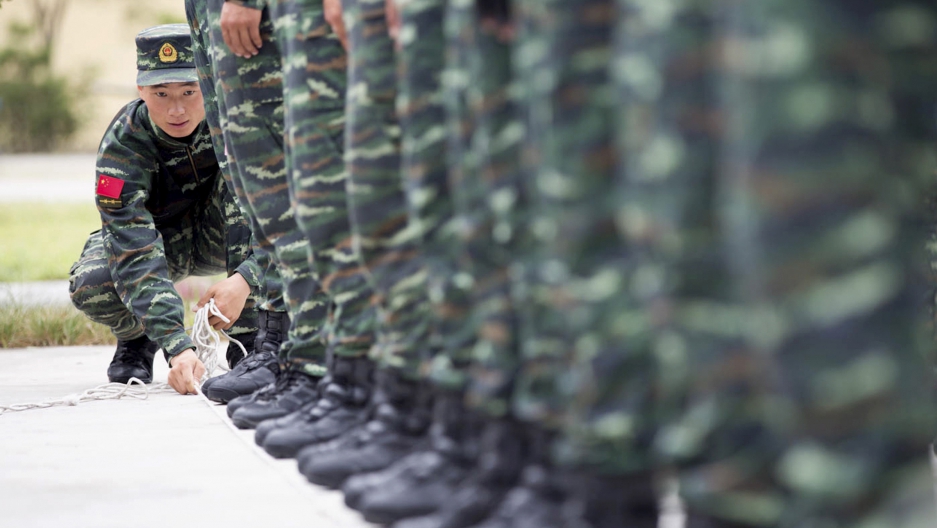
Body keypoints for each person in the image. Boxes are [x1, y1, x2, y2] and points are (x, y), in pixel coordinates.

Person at [69, 24, 263, 396]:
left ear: (208, 84)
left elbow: (281, 221)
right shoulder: (122, 145)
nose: (177, 109)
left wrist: (246, 280)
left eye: (190, 92)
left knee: (242, 190)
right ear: (141, 90)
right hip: (160, 241)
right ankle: (138, 336)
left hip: (220, 238)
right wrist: (178, 345)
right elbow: (132, 247)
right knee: (91, 283)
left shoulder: (238, 123)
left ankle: (250, 342)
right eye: (161, 93)